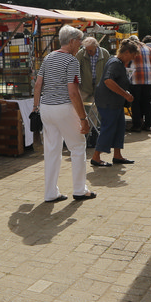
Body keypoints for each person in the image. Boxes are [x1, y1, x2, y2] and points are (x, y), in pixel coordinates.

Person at [31, 25, 95, 203]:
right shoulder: (71, 61)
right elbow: (73, 92)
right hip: (63, 107)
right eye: (79, 41)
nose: (81, 44)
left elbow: (38, 85)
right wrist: (83, 118)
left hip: (46, 107)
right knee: (78, 146)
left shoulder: (48, 57)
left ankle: (50, 193)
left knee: (51, 150)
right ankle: (80, 190)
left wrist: (35, 108)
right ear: (72, 41)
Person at [90, 39, 135, 167]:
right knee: (108, 128)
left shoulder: (116, 62)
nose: (133, 59)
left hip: (115, 102)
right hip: (108, 102)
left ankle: (117, 155)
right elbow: (108, 80)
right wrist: (125, 94)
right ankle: (96, 157)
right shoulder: (115, 63)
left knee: (119, 127)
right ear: (127, 52)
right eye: (132, 55)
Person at [76, 37, 109, 141]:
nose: (88, 52)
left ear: (96, 47)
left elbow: (107, 70)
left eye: (90, 50)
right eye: (87, 50)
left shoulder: (105, 53)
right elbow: (76, 69)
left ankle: (92, 134)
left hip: (98, 87)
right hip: (84, 87)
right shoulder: (81, 53)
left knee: (94, 111)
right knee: (77, 108)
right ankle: (78, 131)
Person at [126, 38, 151, 132]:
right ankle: (147, 125)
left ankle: (137, 125)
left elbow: (126, 63)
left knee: (135, 102)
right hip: (147, 78)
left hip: (135, 78)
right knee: (146, 102)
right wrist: (146, 68)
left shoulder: (131, 49)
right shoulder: (148, 48)